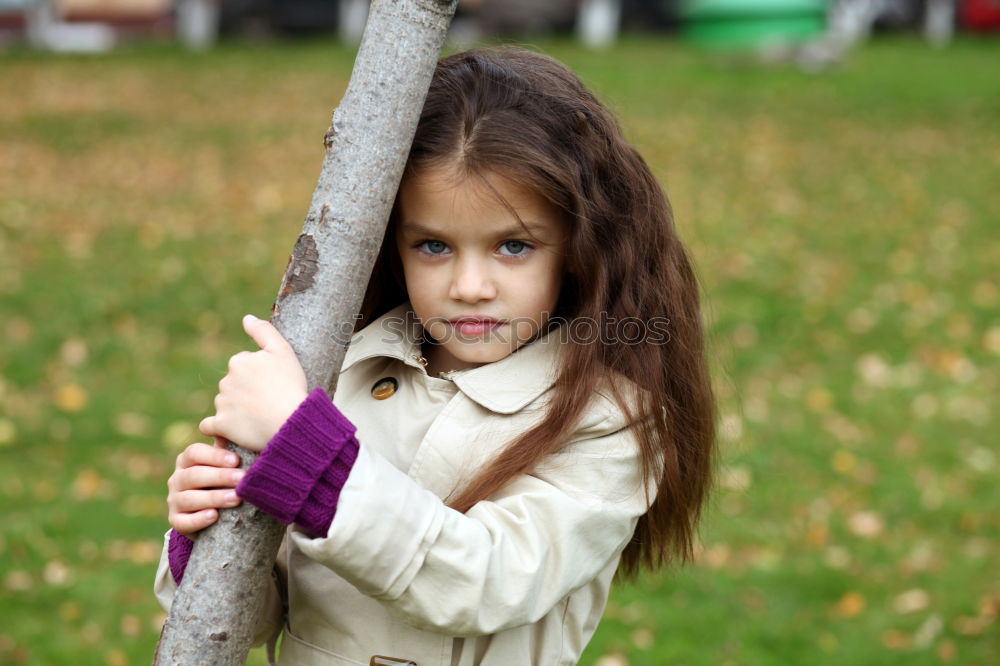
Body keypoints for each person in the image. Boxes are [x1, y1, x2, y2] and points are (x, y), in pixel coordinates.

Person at [154, 47, 717, 665]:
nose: (469, 285)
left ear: (579, 249)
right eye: (433, 246)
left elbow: (487, 581)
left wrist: (311, 458)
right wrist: (206, 539)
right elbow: (261, 615)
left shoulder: (607, 419)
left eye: (512, 246)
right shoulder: (336, 376)